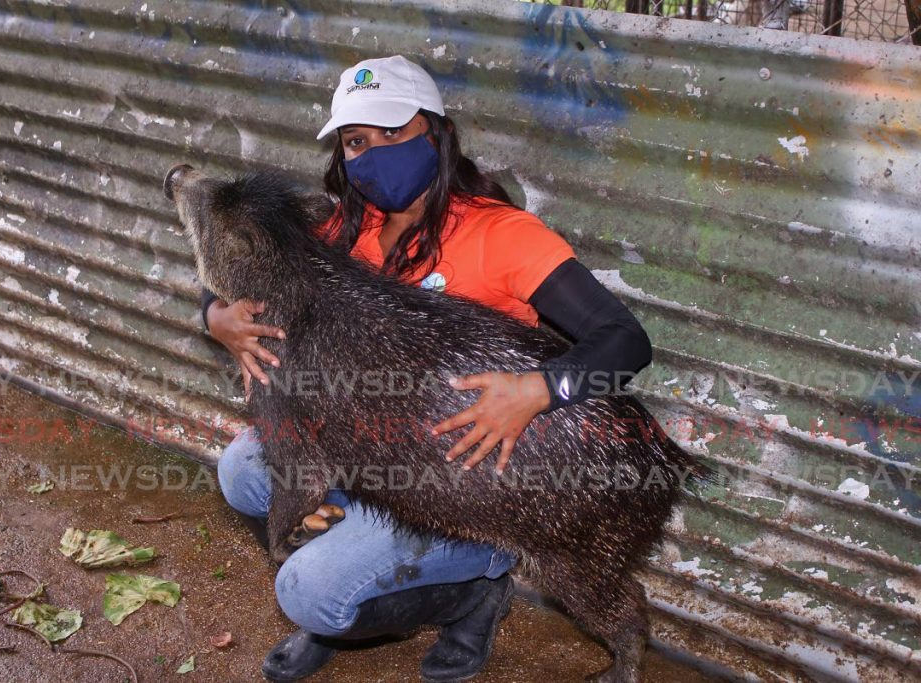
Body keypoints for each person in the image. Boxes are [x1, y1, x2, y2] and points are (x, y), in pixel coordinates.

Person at [202, 55, 653, 682]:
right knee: (244, 469)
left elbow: (625, 341)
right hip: (374, 458)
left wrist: (539, 389)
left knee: (311, 592)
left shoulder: (503, 234)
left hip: (472, 484)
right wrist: (215, 318)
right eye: (357, 141)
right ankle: (349, 591)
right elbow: (246, 259)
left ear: (436, 135)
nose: (374, 154)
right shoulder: (340, 226)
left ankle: (469, 596)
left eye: (393, 132)